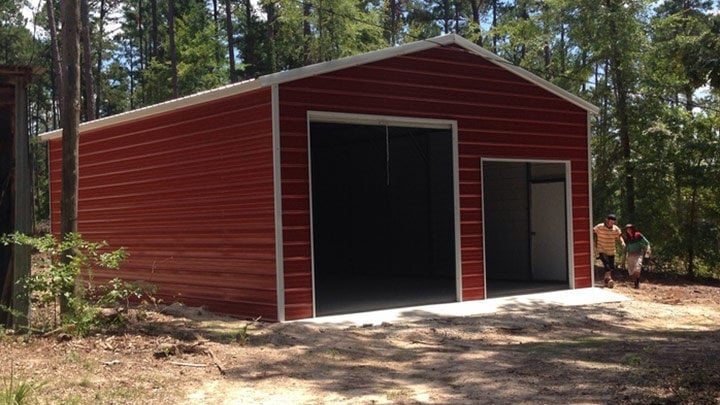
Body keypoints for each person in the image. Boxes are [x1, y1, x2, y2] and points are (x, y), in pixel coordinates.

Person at [593, 214, 625, 288]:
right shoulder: (600, 226)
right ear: (607, 220)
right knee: (606, 266)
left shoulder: (615, 229)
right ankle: (609, 279)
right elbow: (592, 231)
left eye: (613, 222)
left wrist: (622, 242)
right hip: (601, 249)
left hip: (611, 250)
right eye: (611, 222)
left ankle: (606, 280)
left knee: (611, 267)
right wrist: (593, 242)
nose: (612, 223)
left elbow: (619, 236)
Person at [623, 224, 651, 289]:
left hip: (638, 253)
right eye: (627, 229)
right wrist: (623, 257)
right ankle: (636, 283)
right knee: (631, 271)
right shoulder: (626, 237)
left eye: (630, 228)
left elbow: (647, 242)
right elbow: (625, 248)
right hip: (630, 254)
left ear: (633, 229)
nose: (629, 230)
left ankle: (637, 283)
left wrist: (648, 249)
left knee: (637, 268)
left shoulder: (638, 235)